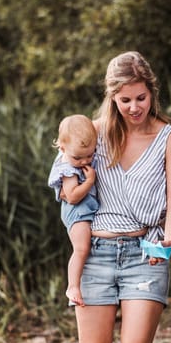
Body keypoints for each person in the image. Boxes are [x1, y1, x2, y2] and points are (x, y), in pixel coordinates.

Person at [75, 51, 171, 343]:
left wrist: (170, 239)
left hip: (146, 254)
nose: (134, 107)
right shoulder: (91, 134)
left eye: (141, 98)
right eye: (125, 100)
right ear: (112, 97)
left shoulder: (169, 138)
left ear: (152, 93)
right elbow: (65, 185)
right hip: (95, 254)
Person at [47, 114, 99, 305]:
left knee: (86, 248)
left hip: (85, 212)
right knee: (81, 248)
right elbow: (73, 196)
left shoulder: (77, 157)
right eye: (79, 157)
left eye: (90, 155)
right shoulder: (67, 167)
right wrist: (91, 181)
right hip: (77, 212)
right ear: (62, 148)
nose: (85, 161)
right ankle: (73, 286)